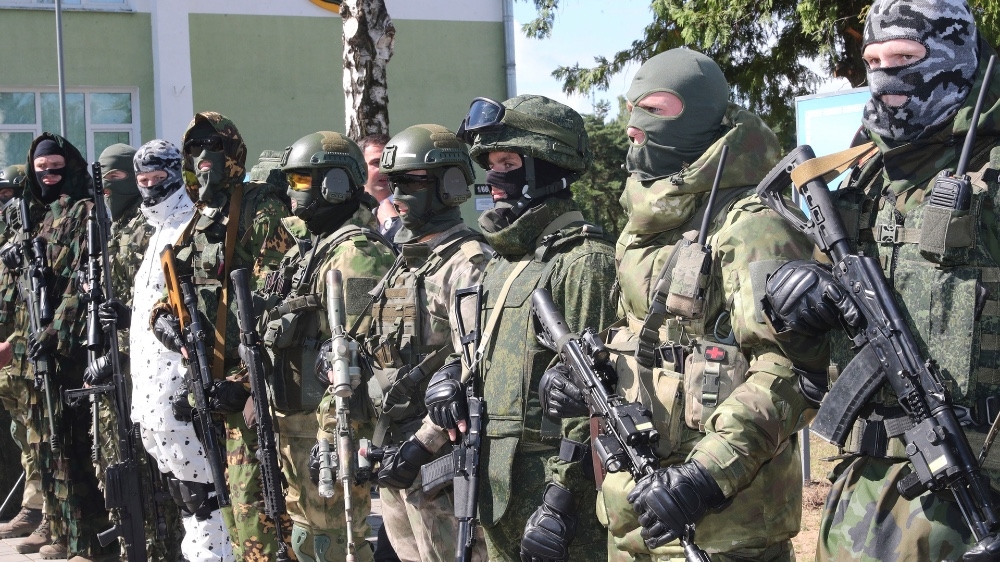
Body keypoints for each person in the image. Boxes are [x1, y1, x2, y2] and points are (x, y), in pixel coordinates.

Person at [543, 49, 826, 561]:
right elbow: (636, 336)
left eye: (655, 108)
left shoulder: (752, 225)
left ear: (697, 116)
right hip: (632, 516)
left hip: (723, 529)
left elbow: (789, 370)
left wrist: (704, 476)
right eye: (631, 109)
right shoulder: (645, 224)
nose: (635, 126)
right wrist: (577, 377)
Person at [763, 0, 1000, 559]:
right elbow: (809, 362)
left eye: (904, 58)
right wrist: (798, 304)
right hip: (859, 495)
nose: (885, 76)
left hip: (973, 490)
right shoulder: (864, 175)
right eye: (873, 61)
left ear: (954, 56)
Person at [412, 95, 618, 562]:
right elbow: (478, 350)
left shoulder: (583, 262)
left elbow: (593, 399)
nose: (494, 178)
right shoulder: (504, 264)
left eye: (508, 163)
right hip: (496, 488)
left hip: (557, 500)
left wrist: (562, 500)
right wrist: (451, 377)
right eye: (490, 164)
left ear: (547, 166)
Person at [149, 111, 293, 560]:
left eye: (214, 146)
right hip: (212, 390)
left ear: (234, 152)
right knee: (234, 514)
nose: (204, 156)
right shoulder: (198, 219)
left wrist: (244, 382)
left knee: (264, 514)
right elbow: (172, 294)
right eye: (195, 148)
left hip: (257, 389)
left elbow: (280, 307)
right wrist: (164, 323)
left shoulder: (259, 208)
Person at [255, 130, 395, 562]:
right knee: (305, 540)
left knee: (331, 544)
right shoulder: (310, 250)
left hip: (327, 432)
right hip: (295, 426)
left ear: (334, 184)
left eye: (301, 181)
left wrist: (335, 438)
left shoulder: (356, 254)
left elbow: (360, 360)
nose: (292, 193)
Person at [362, 124, 491, 562]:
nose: (396, 194)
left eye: (410, 183)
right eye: (393, 182)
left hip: (439, 464)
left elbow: (476, 373)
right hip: (395, 453)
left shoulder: (468, 264)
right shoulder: (405, 262)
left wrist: (422, 446)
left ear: (449, 185)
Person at [109, 139, 230, 562]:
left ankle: (216, 555)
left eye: (158, 177)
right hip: (149, 386)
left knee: (204, 489)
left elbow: (202, 304)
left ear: (177, 174)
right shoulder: (154, 230)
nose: (149, 186)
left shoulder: (190, 225)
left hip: (180, 381)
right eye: (142, 179)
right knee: (182, 489)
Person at [5, 133, 113, 560]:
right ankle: (59, 527)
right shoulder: (37, 216)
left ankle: (88, 539)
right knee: (44, 446)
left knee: (74, 446)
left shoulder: (86, 211)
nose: (49, 175)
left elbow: (83, 282)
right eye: (41, 169)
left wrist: (54, 332)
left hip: (68, 349)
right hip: (33, 346)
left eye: (56, 167)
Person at [0, 162, 47, 547]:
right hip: (8, 361)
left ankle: (38, 509)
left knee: (37, 434)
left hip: (25, 355)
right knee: (21, 433)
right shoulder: (7, 239)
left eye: (9, 195)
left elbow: (32, 304)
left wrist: (13, 344)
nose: (4, 203)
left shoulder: (33, 235)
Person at [359, 134, 400, 241]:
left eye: (390, 162)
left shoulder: (414, 208)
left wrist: (392, 223)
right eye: (377, 162)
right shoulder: (349, 210)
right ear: (360, 167)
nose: (385, 169)